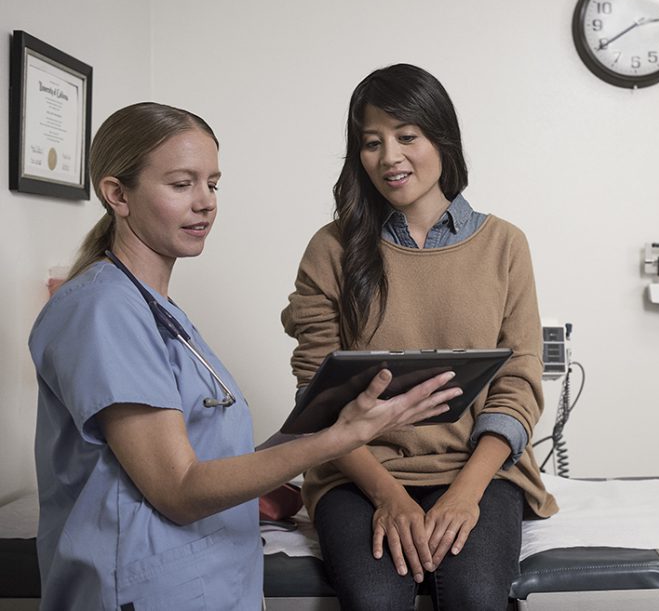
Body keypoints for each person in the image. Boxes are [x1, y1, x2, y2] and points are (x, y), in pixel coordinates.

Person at [28, 102, 461, 611]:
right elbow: (180, 488)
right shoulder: (104, 311)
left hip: (210, 585)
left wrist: (323, 423)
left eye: (212, 184)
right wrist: (340, 439)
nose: (205, 203)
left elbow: (212, 461)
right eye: (181, 184)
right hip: (148, 593)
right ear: (118, 194)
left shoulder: (154, 309)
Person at [281, 64, 558, 611]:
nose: (389, 158)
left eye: (407, 137)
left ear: (442, 140)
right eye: (371, 143)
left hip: (477, 468)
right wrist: (389, 496)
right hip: (356, 470)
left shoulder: (504, 245)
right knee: (374, 598)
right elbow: (319, 394)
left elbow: (519, 383)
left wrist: (466, 492)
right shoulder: (331, 248)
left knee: (477, 595)